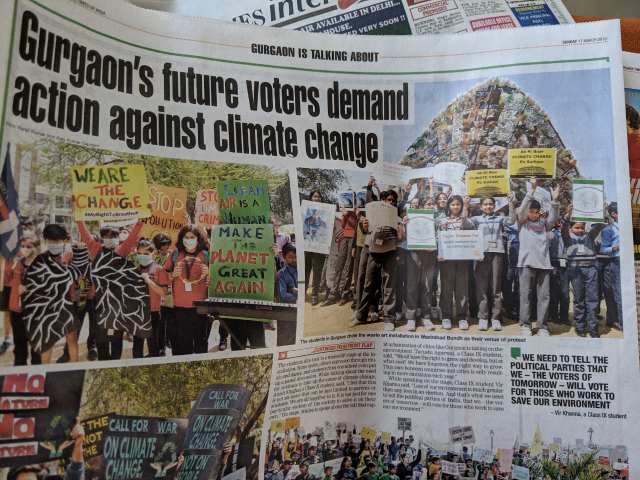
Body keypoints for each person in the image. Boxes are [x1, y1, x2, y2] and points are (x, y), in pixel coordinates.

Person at [76, 220, 143, 360]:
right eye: (106, 236)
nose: (109, 239)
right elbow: (85, 235)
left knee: (116, 336)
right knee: (101, 336)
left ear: (118, 238)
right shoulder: (96, 250)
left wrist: (140, 222)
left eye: (113, 236)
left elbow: (132, 237)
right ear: (102, 238)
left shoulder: (122, 250)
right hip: (99, 301)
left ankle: (115, 362)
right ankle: (103, 361)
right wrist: (79, 219)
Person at [353, 190, 404, 331]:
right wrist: (364, 225)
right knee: (368, 284)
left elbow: (401, 238)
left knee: (389, 285)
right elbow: (365, 231)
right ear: (381, 200)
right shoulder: (371, 213)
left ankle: (389, 318)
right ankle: (361, 316)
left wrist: (400, 230)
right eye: (388, 199)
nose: (391, 203)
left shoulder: (397, 218)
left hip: (390, 253)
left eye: (393, 201)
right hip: (373, 252)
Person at [516, 183, 560, 336]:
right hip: (526, 264)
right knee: (525, 295)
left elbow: (553, 219)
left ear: (539, 212)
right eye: (531, 211)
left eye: (536, 212)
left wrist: (554, 201)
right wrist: (531, 192)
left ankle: (542, 326)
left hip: (544, 264)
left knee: (544, 297)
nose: (534, 214)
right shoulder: (522, 223)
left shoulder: (544, 224)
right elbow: (521, 210)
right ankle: (525, 325)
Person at [470, 195, 515, 331]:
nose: (488, 206)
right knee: (481, 287)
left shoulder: (500, 218)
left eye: (490, 204)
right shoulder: (476, 219)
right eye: (485, 204)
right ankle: (483, 317)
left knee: (496, 287)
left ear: (494, 206)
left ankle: (495, 318)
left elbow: (512, 221)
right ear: (481, 206)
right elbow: (464, 224)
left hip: (497, 253)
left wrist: (511, 204)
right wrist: (466, 206)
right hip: (481, 255)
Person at [164, 225, 210, 355]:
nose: (189, 240)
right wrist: (172, 275)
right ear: (182, 239)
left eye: (192, 237)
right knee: (182, 346)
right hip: (180, 308)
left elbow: (216, 280)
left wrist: (209, 273)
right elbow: (163, 277)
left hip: (200, 308)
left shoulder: (206, 255)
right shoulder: (175, 254)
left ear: (198, 239)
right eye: (186, 237)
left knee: (201, 345)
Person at [561, 210, 604, 338]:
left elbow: (599, 225)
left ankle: (593, 328)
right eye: (577, 227)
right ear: (571, 228)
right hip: (575, 272)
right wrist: (567, 216)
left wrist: (601, 209)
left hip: (591, 270)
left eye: (582, 227)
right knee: (579, 300)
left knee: (593, 300)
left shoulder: (589, 236)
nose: (580, 230)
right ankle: (580, 328)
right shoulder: (568, 238)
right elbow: (563, 228)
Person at [437, 195, 476, 330]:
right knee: (446, 289)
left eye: (458, 204)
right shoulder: (442, 221)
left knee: (461, 289)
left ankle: (462, 317)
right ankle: (446, 316)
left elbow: (469, 229)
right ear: (448, 206)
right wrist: (440, 254)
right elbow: (439, 239)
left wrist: (466, 206)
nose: (455, 207)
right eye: (453, 204)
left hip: (462, 259)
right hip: (446, 259)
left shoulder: (467, 221)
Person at [401, 197, 437, 331]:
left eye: (433, 203)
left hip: (431, 254)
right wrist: (405, 224)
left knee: (427, 285)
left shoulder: (437, 219)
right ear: (422, 205)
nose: (431, 206)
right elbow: (404, 237)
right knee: (412, 285)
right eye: (428, 203)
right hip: (414, 253)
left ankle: (426, 316)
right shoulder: (412, 217)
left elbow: (442, 236)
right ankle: (411, 317)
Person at [7, 235, 41, 366]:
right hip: (17, 311)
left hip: (35, 312)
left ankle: (36, 376)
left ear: (36, 248)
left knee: (36, 348)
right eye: (23, 246)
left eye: (29, 246)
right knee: (20, 346)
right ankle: (19, 372)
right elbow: (7, 279)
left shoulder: (42, 265)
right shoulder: (16, 263)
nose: (25, 249)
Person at [133, 239, 169, 357]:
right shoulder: (134, 270)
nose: (142, 256)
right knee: (137, 348)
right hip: (137, 314)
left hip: (153, 313)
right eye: (140, 253)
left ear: (153, 253)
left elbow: (163, 292)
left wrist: (148, 281)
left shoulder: (159, 269)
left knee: (153, 347)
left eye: (146, 254)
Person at [600, 202, 622, 331]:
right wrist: (614, 248)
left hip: (630, 261)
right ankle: (619, 322)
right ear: (614, 214)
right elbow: (603, 249)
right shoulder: (608, 230)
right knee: (618, 293)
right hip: (616, 261)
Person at [304, 191, 328, 306]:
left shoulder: (326, 213)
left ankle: (314, 295)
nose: (317, 198)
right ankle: (303, 293)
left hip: (319, 246)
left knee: (317, 271)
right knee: (305, 270)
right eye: (315, 196)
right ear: (311, 198)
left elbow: (326, 228)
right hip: (307, 245)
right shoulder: (305, 211)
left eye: (319, 196)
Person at [153, 233, 174, 355]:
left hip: (171, 294)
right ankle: (161, 347)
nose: (165, 246)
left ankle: (169, 341)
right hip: (157, 293)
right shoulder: (153, 258)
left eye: (167, 243)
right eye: (163, 244)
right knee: (160, 322)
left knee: (170, 320)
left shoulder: (173, 256)